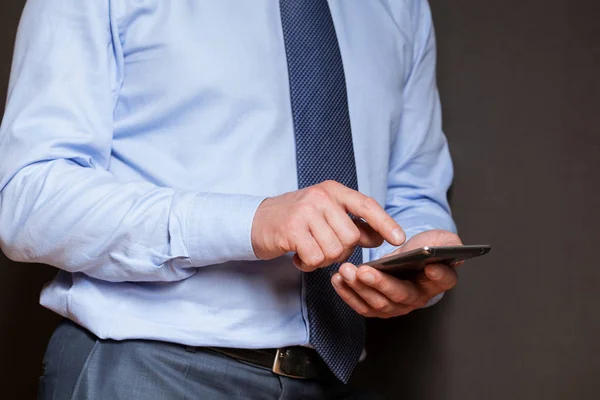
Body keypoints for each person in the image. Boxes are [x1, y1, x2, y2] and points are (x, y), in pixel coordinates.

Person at [0, 0, 462, 398]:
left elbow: (414, 193)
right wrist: (249, 223)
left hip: (331, 381)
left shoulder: (400, 7)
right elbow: (27, 197)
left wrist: (412, 257)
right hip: (146, 371)